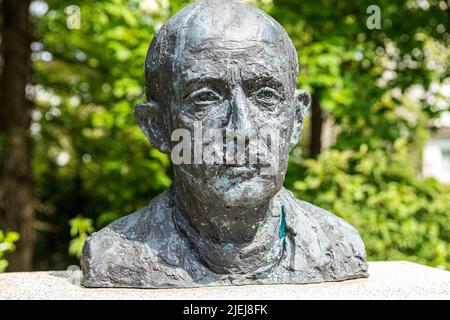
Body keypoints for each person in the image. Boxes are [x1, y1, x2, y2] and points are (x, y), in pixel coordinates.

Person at [81, 0, 368, 288]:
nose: (241, 129)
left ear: (295, 121)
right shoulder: (115, 253)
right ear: (157, 126)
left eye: (266, 95)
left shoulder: (337, 243)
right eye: (205, 97)